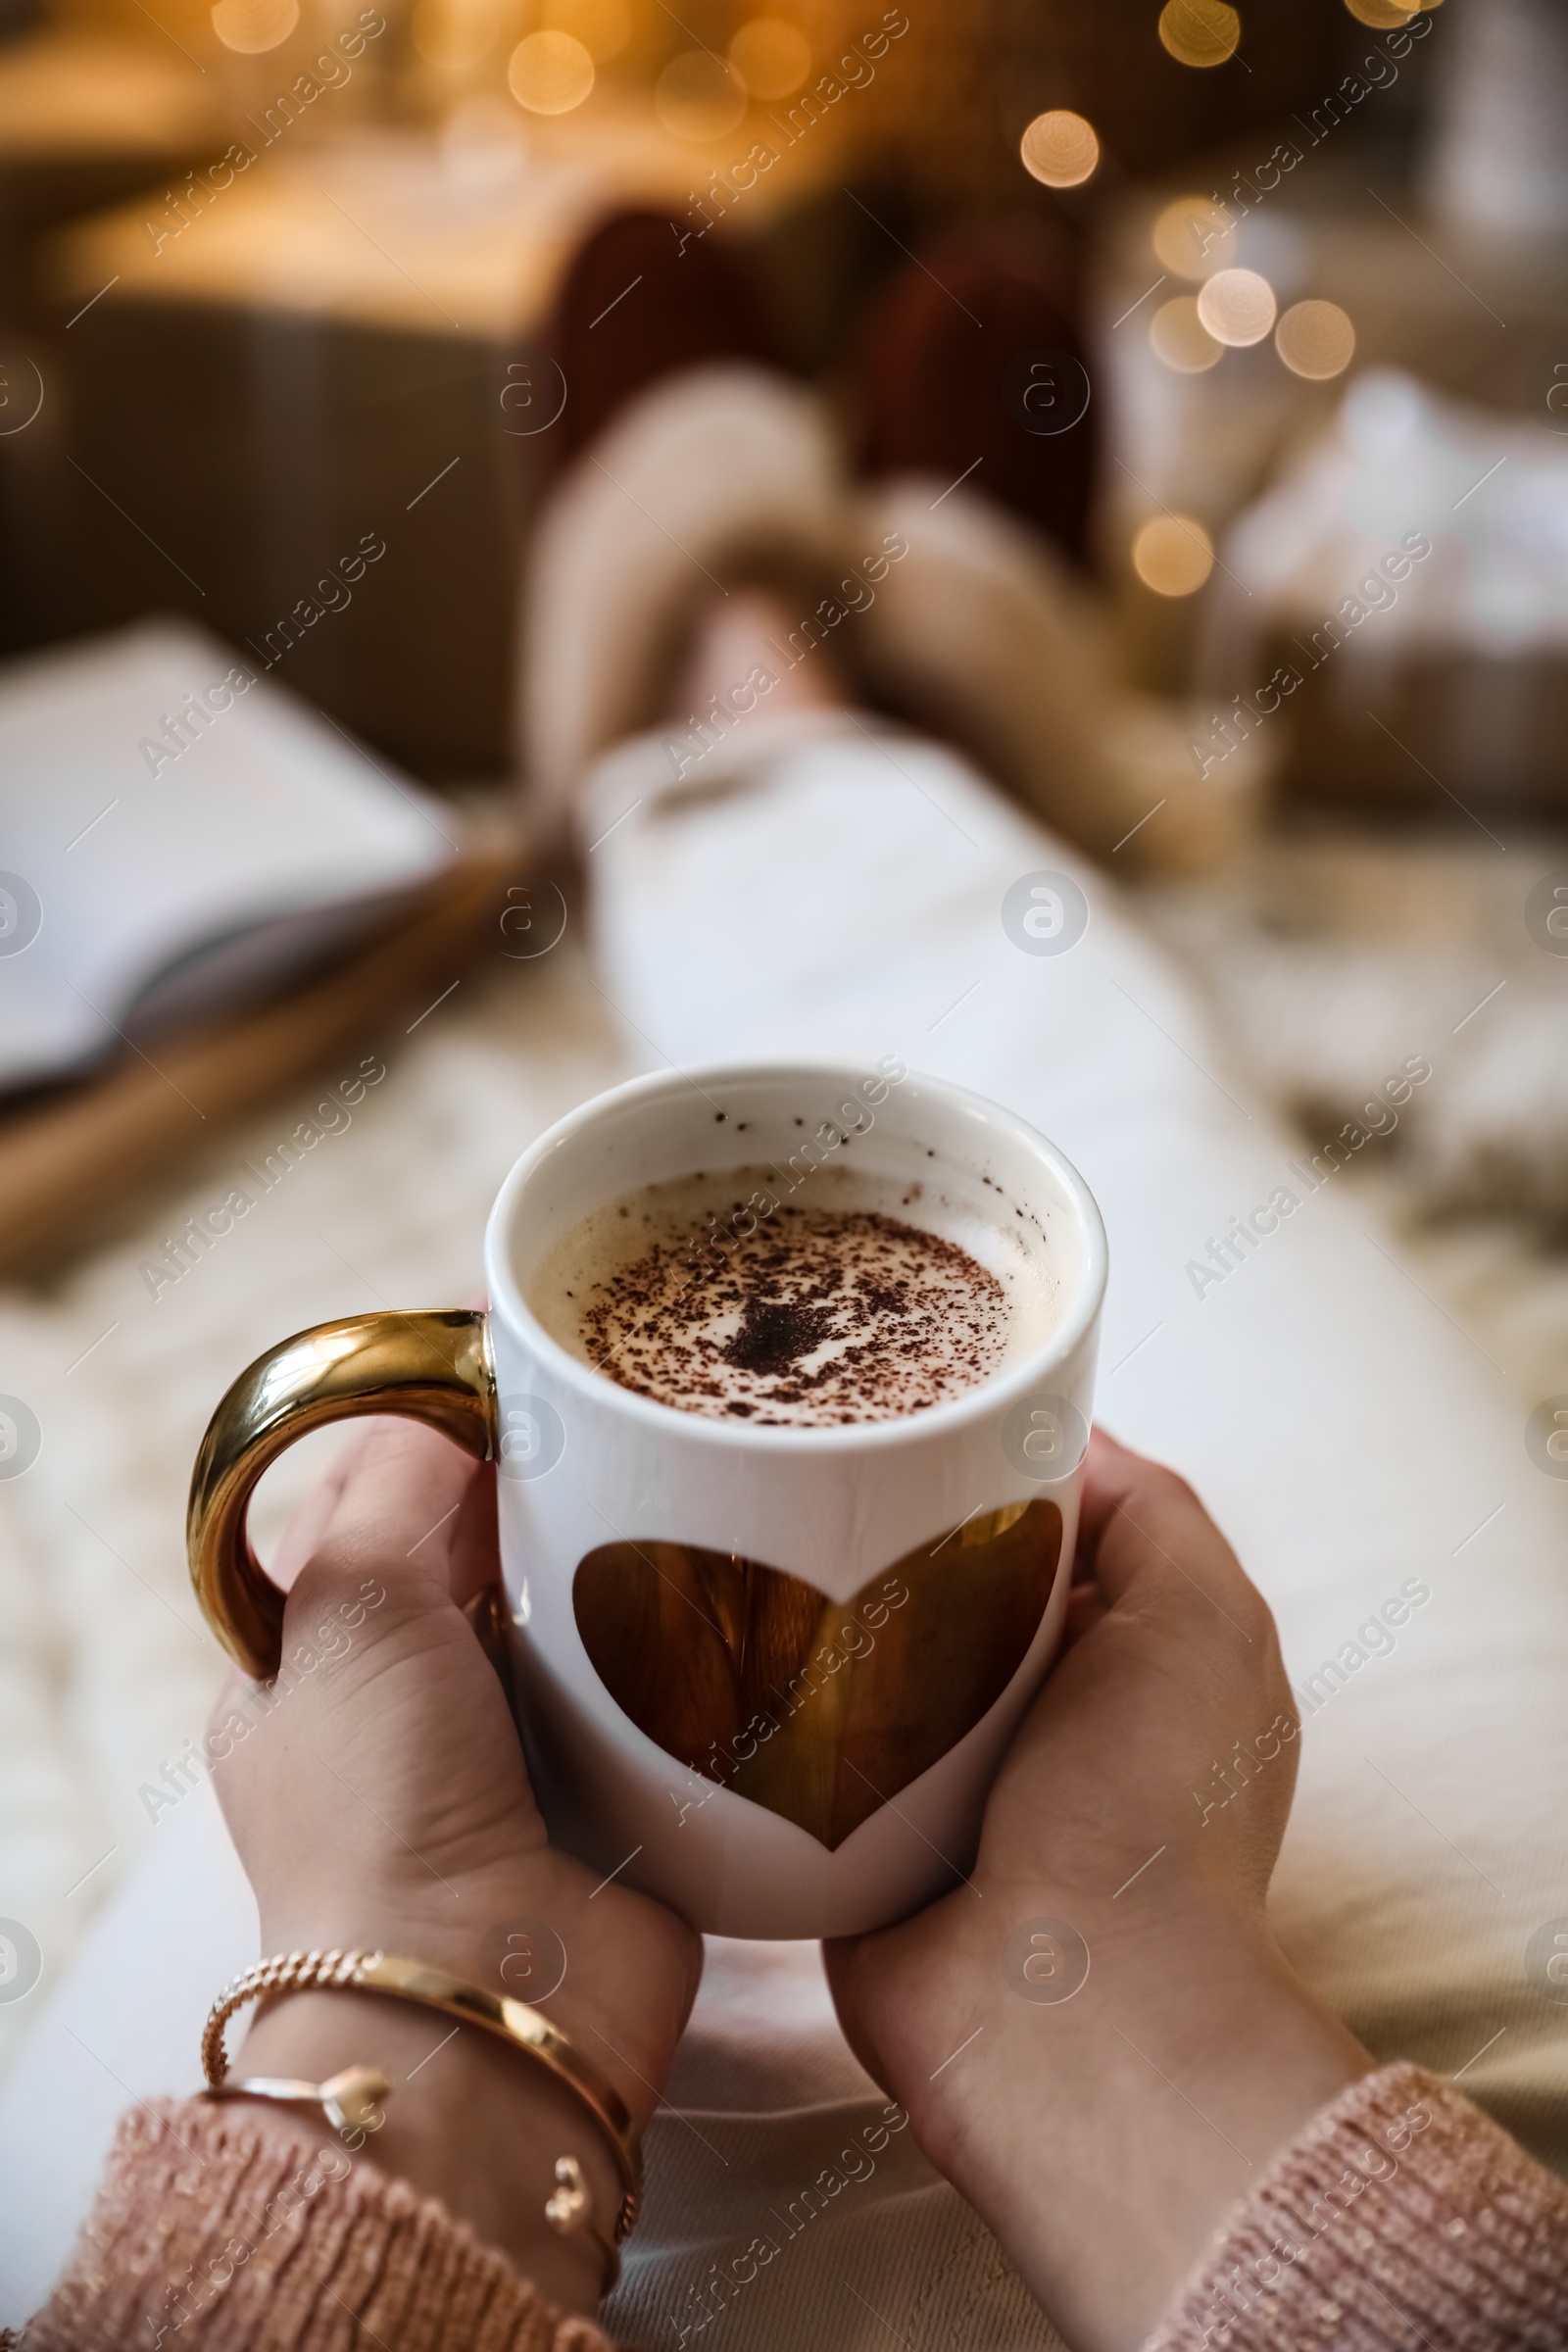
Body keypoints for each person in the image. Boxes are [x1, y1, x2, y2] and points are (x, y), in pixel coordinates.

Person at [7, 217, 1568, 2351]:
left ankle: (713, 710)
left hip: (347, 2147)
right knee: (1087, 1091)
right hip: (1217, 2148)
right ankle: (861, 756)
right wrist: (1114, 2006)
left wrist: (426, 1963)